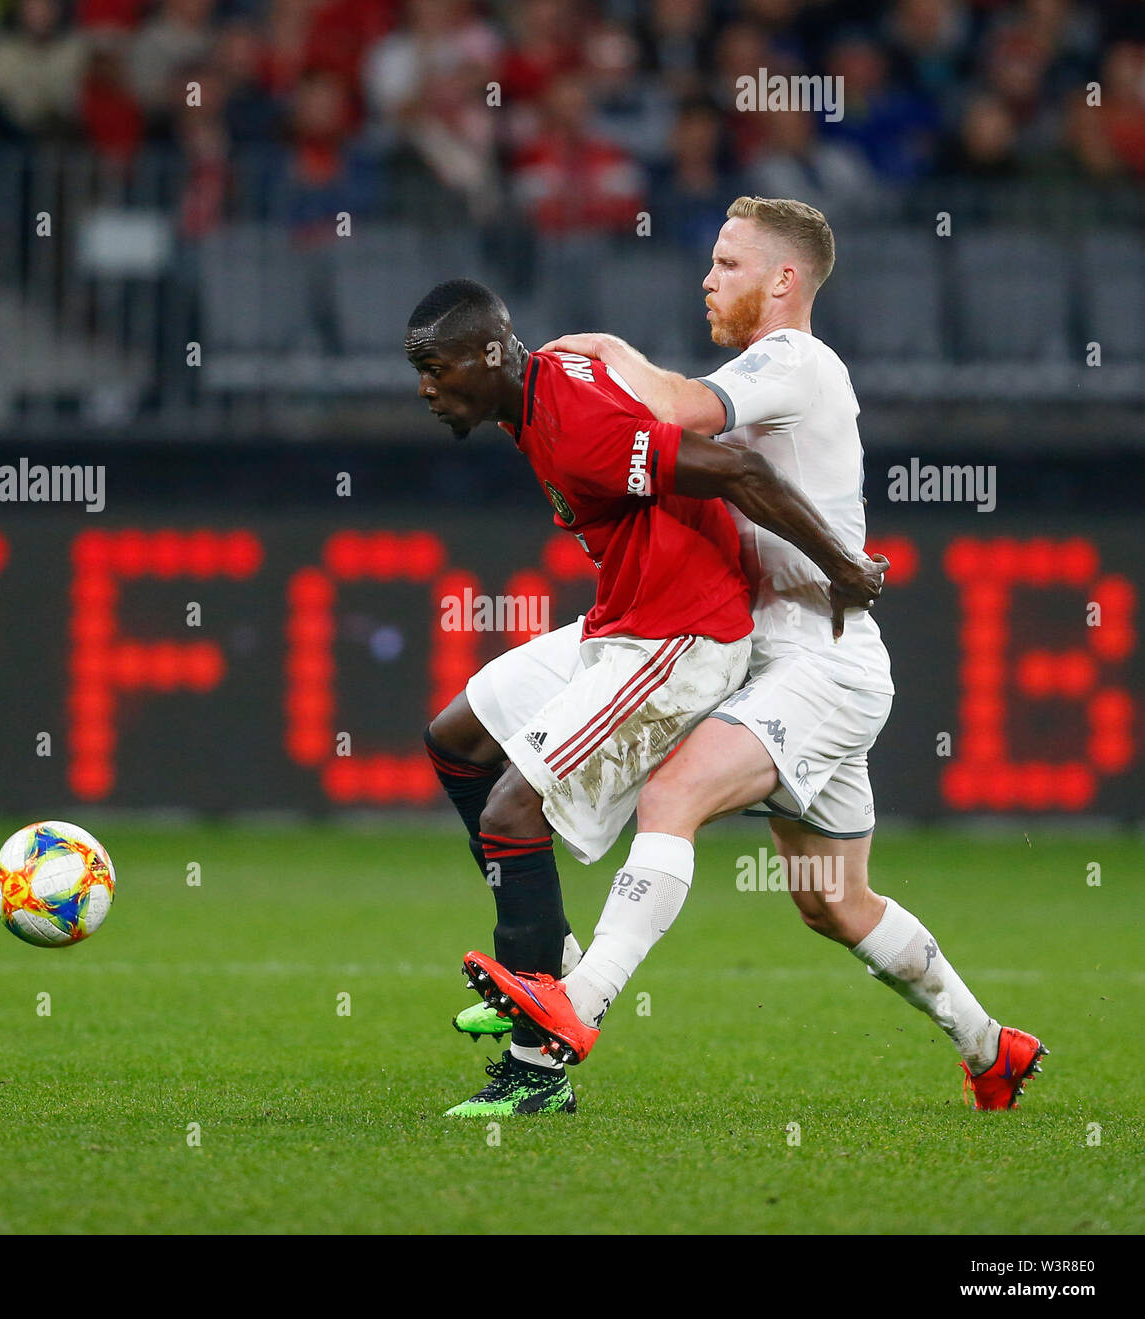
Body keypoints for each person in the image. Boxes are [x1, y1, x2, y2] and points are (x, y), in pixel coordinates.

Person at [466, 196, 1047, 1112]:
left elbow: (683, 407)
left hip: (818, 669)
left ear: (784, 280)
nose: (708, 278)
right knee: (835, 903)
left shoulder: (794, 360)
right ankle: (991, 1047)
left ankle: (575, 1004)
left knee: (673, 794)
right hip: (777, 665)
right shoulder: (769, 371)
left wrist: (613, 352)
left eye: (729, 264)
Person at [405, 276, 886, 1116]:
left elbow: (734, 469)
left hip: (682, 639)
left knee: (512, 814)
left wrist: (842, 567)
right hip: (621, 621)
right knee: (458, 738)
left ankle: (535, 1064)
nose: (425, 388)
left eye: (436, 368)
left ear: (490, 356)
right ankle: (542, 952)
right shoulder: (537, 387)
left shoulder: (577, 427)